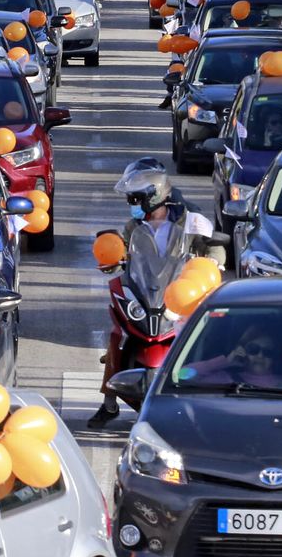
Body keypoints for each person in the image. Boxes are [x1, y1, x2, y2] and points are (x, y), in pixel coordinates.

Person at [90, 158, 221, 429]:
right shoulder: (133, 226)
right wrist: (114, 259)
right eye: (130, 199)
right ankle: (109, 403)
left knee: (205, 336)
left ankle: (207, 398)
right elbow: (124, 252)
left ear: (154, 196)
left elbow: (212, 244)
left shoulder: (191, 218)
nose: (132, 205)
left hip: (181, 291)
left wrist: (214, 261)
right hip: (148, 290)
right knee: (118, 334)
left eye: (136, 199)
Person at [177, 326, 282, 387]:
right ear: (243, 351)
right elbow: (182, 375)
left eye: (268, 351)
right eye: (253, 349)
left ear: (275, 356)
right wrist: (225, 362)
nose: (260, 355)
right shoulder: (224, 378)